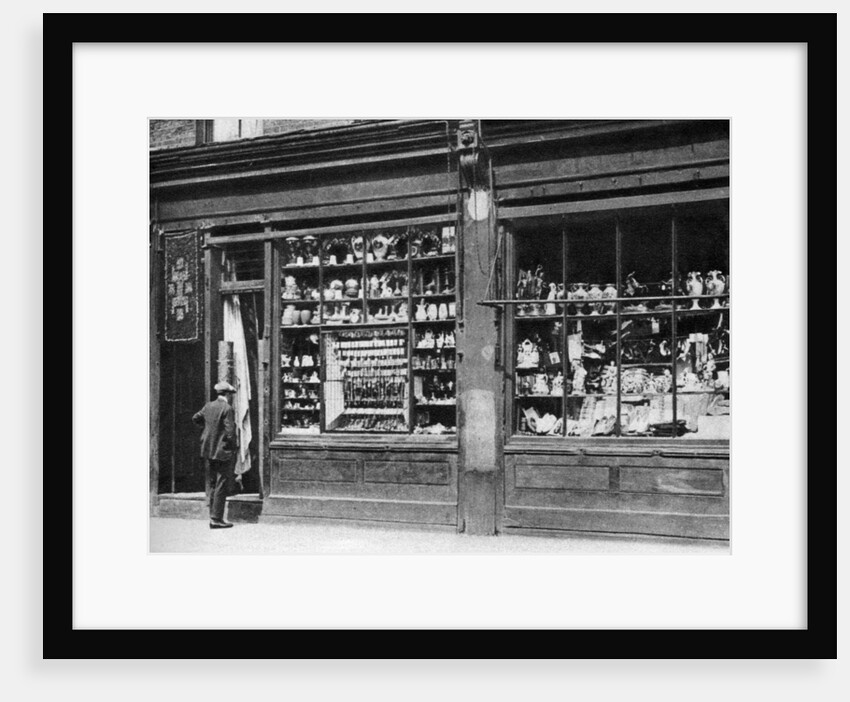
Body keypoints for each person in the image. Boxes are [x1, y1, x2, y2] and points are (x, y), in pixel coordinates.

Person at [192, 381, 238, 529]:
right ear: (228, 394)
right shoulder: (227, 408)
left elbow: (195, 418)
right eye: (231, 394)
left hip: (208, 450)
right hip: (222, 451)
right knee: (221, 483)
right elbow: (230, 432)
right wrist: (232, 447)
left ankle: (213, 515)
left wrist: (207, 432)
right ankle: (216, 518)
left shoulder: (209, 406)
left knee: (213, 483)